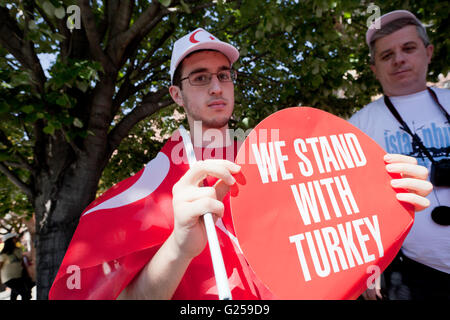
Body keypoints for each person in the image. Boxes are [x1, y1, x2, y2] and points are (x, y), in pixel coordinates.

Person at [50, 28, 432, 300]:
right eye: (200, 78)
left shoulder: (283, 164)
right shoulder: (139, 194)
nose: (216, 86)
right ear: (176, 95)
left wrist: (384, 213)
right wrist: (179, 247)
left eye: (223, 75)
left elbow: (327, 254)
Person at [349, 10, 449, 300]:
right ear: (374, 69)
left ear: (428, 52)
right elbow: (354, 204)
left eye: (408, 48)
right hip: (412, 274)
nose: (399, 59)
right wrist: (367, 266)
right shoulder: (358, 126)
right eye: (386, 55)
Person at [0, 233, 32, 300]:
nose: (16, 239)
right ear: (10, 240)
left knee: (14, 295)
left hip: (19, 276)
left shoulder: (18, 250)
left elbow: (23, 260)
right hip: (9, 278)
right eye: (14, 238)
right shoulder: (3, 254)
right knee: (26, 294)